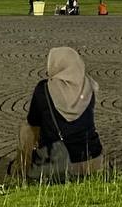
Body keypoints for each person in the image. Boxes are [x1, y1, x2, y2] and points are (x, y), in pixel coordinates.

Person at [19, 47, 103, 181]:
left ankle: (23, 175)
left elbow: (33, 121)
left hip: (58, 160)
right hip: (92, 158)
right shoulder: (89, 87)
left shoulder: (44, 90)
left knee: (26, 130)